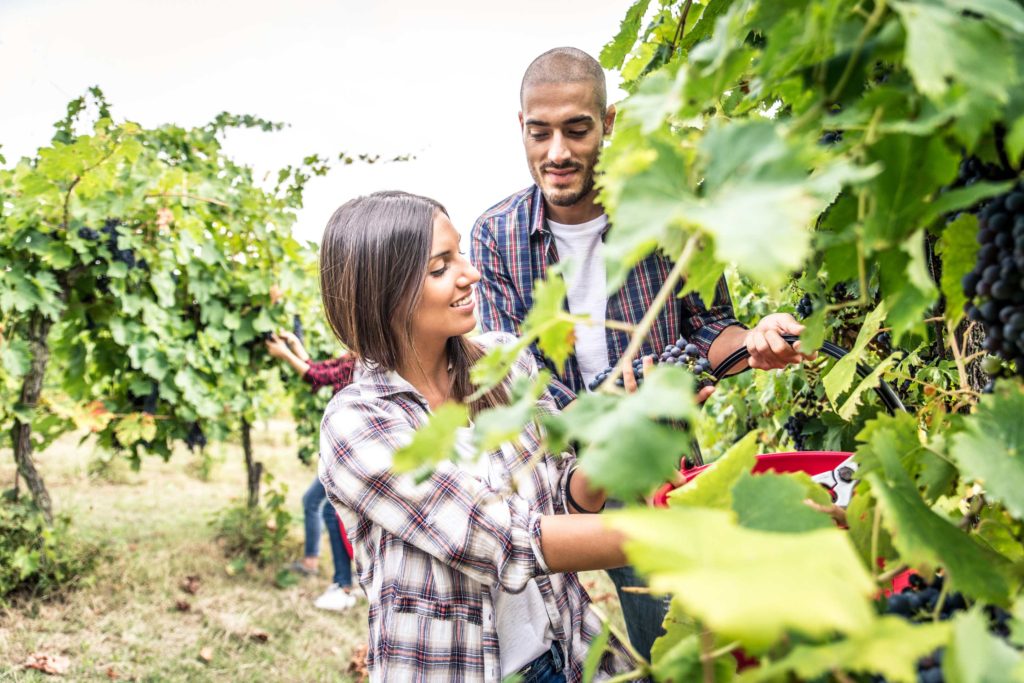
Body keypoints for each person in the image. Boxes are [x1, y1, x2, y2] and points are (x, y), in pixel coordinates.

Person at [470, 47, 813, 661]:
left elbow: (711, 332)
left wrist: (754, 345)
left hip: (661, 465)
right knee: (540, 643)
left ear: (609, 124)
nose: (557, 152)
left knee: (684, 634)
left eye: (577, 130)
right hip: (549, 478)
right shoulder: (494, 236)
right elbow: (507, 377)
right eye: (539, 132)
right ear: (518, 126)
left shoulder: (667, 220)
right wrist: (604, 413)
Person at [317, 191, 636, 682]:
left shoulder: (503, 364)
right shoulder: (357, 424)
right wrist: (677, 539)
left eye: (460, 253)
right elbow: (504, 541)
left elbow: (564, 503)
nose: (471, 273)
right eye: (440, 267)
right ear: (385, 292)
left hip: (569, 654)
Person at [266, 331, 358, 612]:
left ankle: (343, 585)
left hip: (349, 453)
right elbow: (319, 369)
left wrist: (284, 355)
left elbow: (314, 377)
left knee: (332, 511)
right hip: (345, 452)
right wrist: (296, 347)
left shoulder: (361, 363)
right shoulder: (351, 359)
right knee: (315, 503)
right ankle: (318, 564)